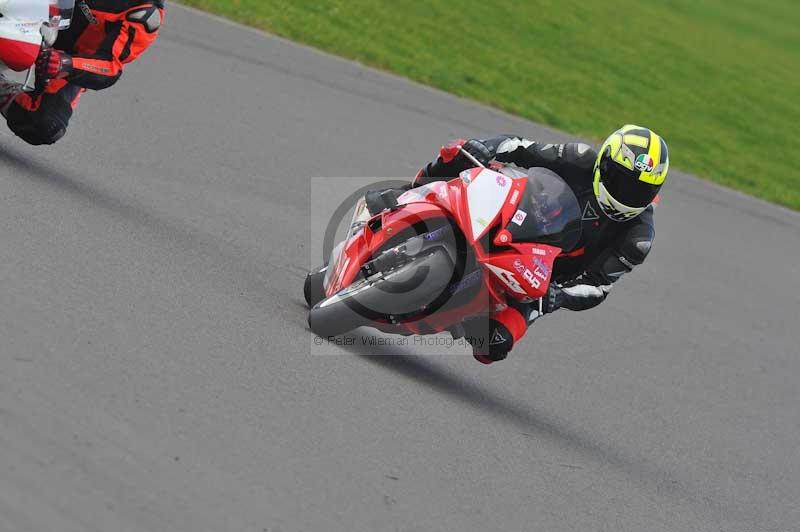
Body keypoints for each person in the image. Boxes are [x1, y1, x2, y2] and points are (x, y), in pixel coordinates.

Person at [409, 125, 669, 364]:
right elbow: (521, 148)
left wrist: (560, 295)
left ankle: (460, 316)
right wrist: (487, 146)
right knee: (463, 152)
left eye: (639, 191)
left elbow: (598, 286)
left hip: (540, 281)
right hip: (520, 218)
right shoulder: (580, 158)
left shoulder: (638, 238)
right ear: (604, 162)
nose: (627, 193)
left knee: (493, 346)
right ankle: (408, 195)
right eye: (621, 180)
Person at [0, 0, 164, 146]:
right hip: (31, 14)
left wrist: (67, 64)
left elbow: (110, 66)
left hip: (67, 57)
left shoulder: (146, 13)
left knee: (45, 124)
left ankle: (2, 89)